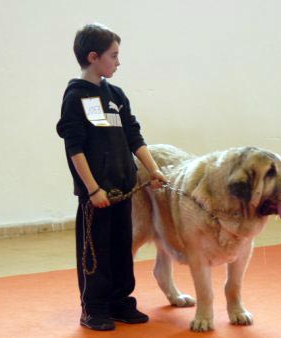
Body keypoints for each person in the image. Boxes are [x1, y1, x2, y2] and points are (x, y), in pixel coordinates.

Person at [56, 23, 167, 331]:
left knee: (121, 248)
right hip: (98, 195)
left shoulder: (115, 94)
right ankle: (94, 308)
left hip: (123, 189)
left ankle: (120, 301)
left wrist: (153, 168)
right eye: (113, 56)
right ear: (94, 57)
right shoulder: (75, 97)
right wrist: (92, 189)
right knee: (96, 251)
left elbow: (134, 136)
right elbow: (75, 149)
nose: (118, 63)